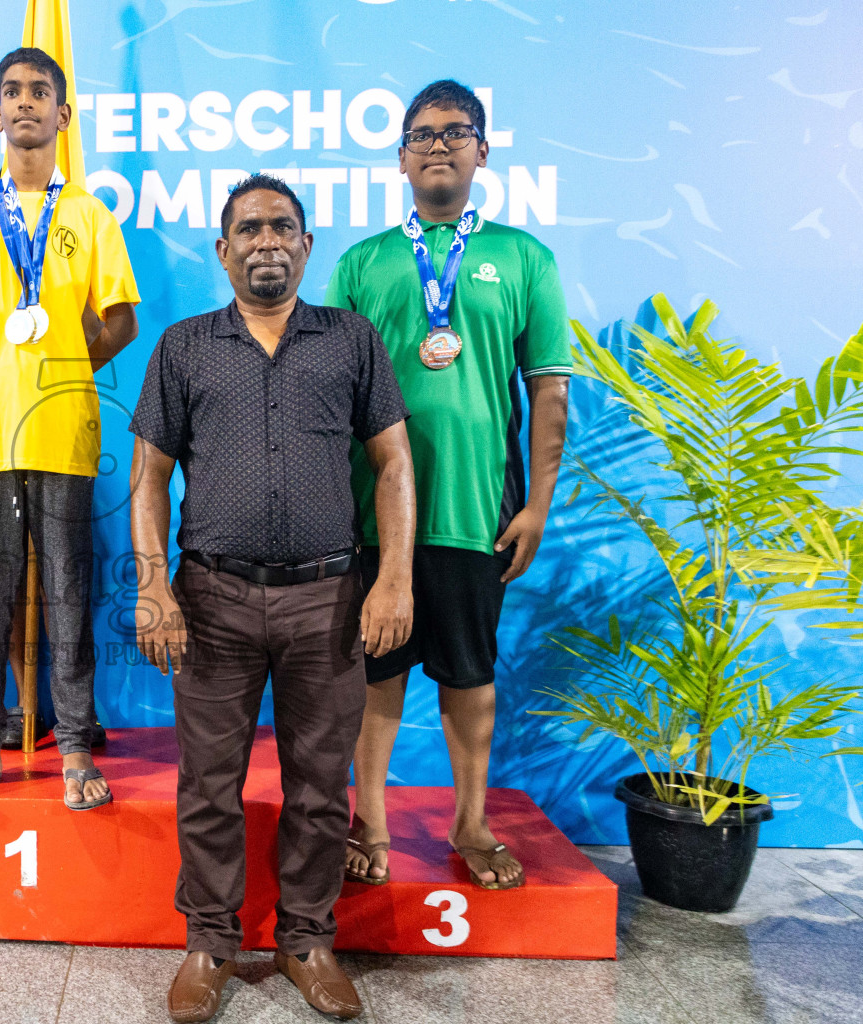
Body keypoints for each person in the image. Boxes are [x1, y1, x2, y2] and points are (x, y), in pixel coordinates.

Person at [130, 175, 416, 1023]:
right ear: (222, 250)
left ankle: (306, 940)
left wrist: (392, 578)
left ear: (305, 246)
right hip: (210, 598)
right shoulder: (184, 347)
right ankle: (211, 943)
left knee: (322, 784)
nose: (266, 240)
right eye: (248, 228)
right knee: (209, 784)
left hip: (329, 598)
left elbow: (394, 465)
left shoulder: (351, 340)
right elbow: (148, 478)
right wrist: (153, 587)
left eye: (282, 227)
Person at [325, 80, 572, 891]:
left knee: (470, 675)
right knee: (375, 675)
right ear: (399, 156)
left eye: (456, 132)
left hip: (476, 512)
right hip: (373, 518)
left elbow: (548, 391)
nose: (438, 144)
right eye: (423, 134)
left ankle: (471, 821)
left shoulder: (525, 258)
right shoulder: (361, 263)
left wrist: (536, 503)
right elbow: (330, 395)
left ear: (483, 151)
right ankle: (370, 819)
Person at [0, 47, 140, 810]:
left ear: (63, 115)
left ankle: (75, 741)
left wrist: (65, 367)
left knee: (70, 589)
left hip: (63, 430)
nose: (23, 104)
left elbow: (122, 320)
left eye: (39, 92)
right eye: (10, 91)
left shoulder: (88, 215)